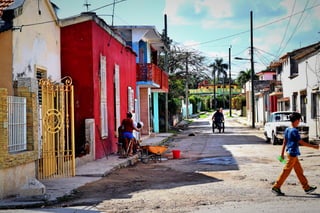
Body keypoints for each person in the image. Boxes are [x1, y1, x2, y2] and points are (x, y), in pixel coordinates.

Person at [272, 112, 319, 196]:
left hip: (290, 153)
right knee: (286, 171)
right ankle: (276, 186)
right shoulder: (294, 130)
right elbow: (301, 142)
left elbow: (284, 142)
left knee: (299, 171)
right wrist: (314, 147)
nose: (299, 122)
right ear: (296, 120)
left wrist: (282, 154)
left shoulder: (287, 129)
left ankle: (306, 187)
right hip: (292, 154)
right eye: (299, 120)